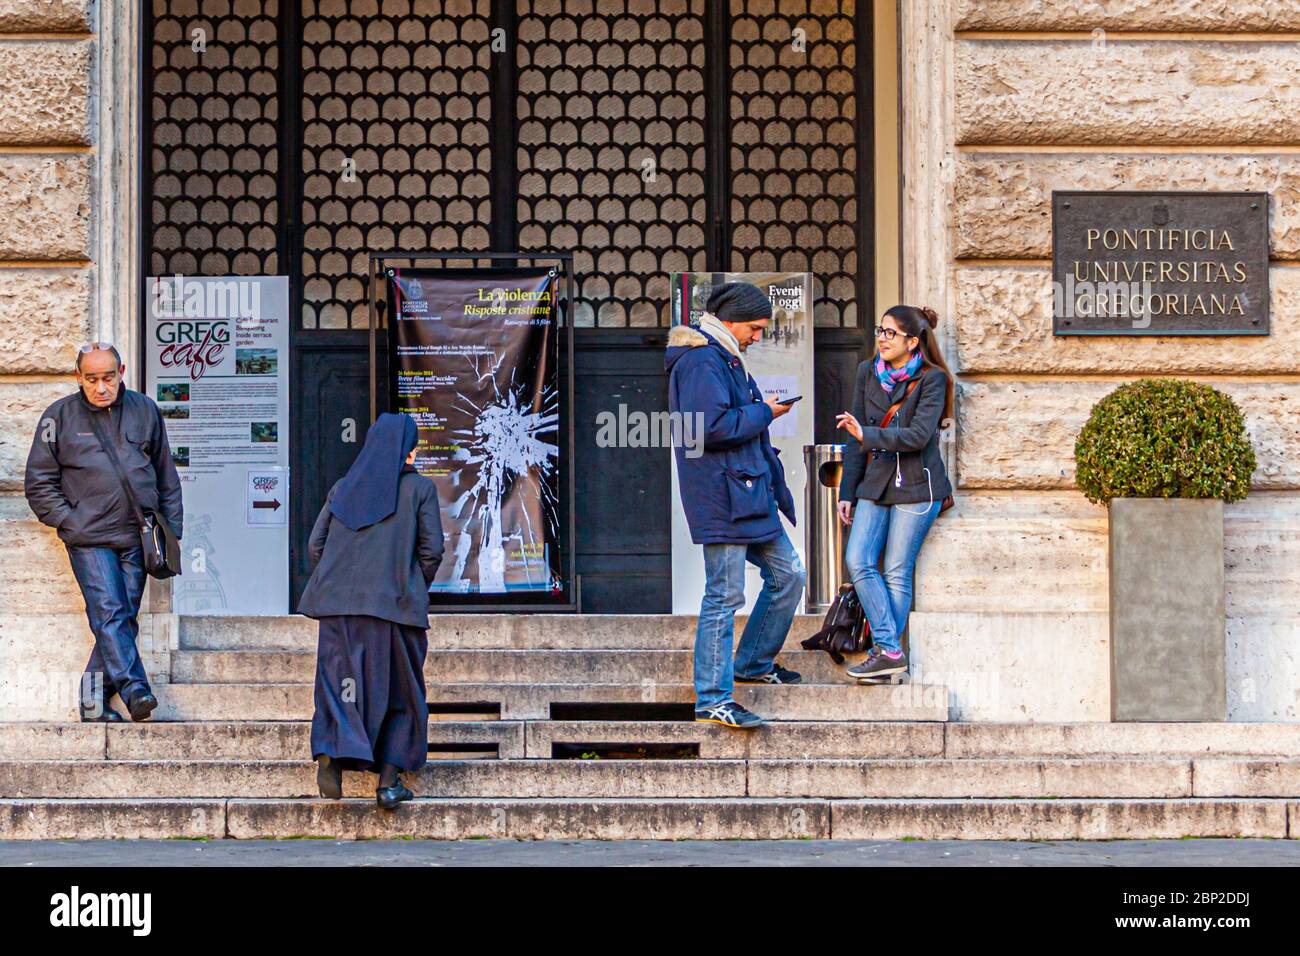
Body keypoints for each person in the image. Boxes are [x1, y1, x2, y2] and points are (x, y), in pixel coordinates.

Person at [666, 281, 806, 730]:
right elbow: (707, 428)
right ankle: (712, 697)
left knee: (789, 575)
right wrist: (766, 412)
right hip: (723, 497)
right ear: (729, 321)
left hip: (747, 493)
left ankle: (752, 663)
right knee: (724, 596)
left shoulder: (722, 356)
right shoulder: (702, 360)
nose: (758, 337)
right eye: (754, 327)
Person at [24, 343, 183, 723]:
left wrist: (172, 531)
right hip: (89, 538)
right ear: (78, 377)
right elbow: (38, 483)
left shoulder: (145, 410)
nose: (101, 387)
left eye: (108, 378)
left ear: (121, 371)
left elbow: (166, 475)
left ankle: (92, 702)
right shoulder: (57, 417)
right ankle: (135, 689)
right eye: (91, 379)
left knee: (121, 617)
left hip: (137, 534)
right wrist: (70, 520)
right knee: (111, 612)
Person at [299, 412, 444, 810]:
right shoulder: (419, 490)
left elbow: (316, 545)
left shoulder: (343, 488)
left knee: (339, 685)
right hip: (394, 610)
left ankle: (330, 753)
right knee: (400, 692)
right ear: (408, 451)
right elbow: (432, 551)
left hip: (337, 611)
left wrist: (341, 584)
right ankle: (389, 781)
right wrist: (409, 586)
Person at [835, 305, 954, 683]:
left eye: (891, 333)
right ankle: (890, 649)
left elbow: (919, 436)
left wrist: (866, 435)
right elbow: (854, 441)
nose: (882, 339)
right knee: (858, 559)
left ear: (912, 341)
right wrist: (847, 491)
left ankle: (885, 653)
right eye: (880, 330)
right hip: (875, 482)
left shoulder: (932, 380)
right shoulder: (866, 372)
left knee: (896, 572)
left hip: (919, 486)